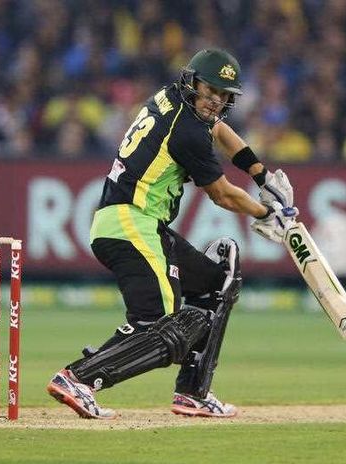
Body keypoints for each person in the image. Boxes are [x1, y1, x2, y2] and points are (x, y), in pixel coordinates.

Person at [46, 49, 298, 419]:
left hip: (143, 225)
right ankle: (78, 378)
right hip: (129, 223)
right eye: (211, 91)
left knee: (218, 283)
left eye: (225, 95)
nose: (217, 102)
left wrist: (261, 175)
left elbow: (221, 131)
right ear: (193, 81)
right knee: (164, 324)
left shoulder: (174, 98)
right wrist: (267, 212)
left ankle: (193, 392)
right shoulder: (188, 132)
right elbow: (221, 193)